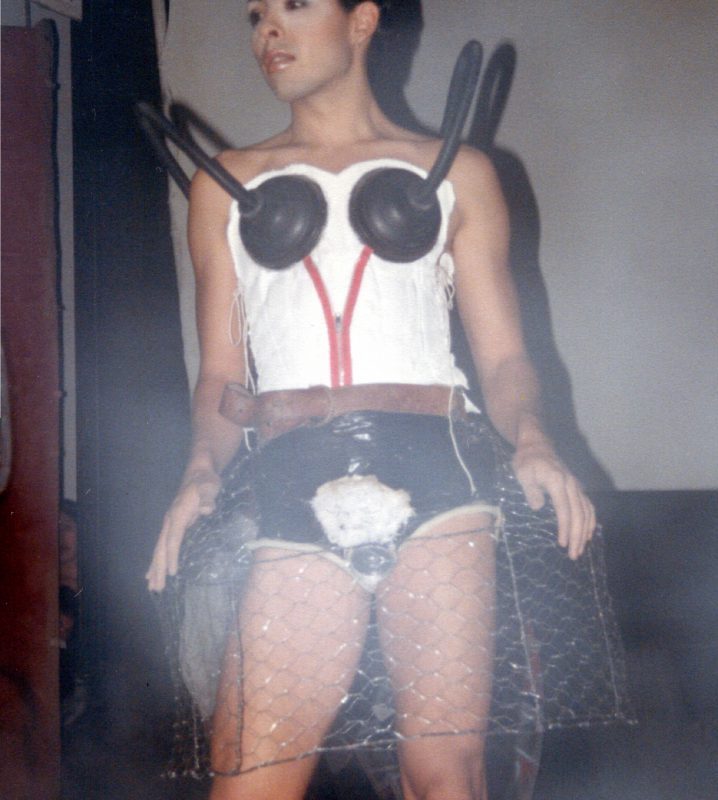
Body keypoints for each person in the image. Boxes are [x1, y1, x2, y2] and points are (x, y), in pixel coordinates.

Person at [146, 2, 621, 799]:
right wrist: (200, 469)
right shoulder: (225, 185)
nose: (268, 31)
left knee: (445, 778)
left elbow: (505, 357)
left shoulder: (460, 172)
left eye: (295, 5)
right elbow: (222, 376)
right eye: (256, 15)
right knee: (249, 782)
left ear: (362, 19)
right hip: (291, 477)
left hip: (442, 478)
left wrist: (533, 438)